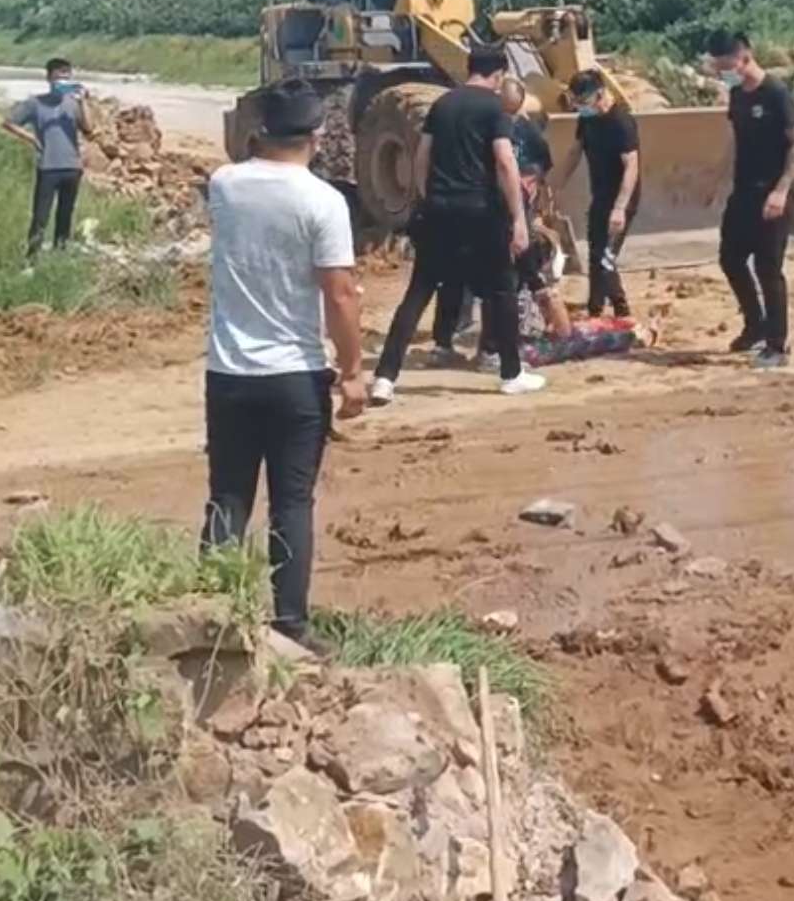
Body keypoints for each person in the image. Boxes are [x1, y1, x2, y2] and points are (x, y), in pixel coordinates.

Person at [202, 81, 365, 646]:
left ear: (259, 130)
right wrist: (353, 371)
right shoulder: (323, 201)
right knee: (291, 503)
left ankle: (211, 617)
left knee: (228, 496)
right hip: (295, 374)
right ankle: (290, 624)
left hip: (228, 373)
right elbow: (339, 294)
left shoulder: (224, 185)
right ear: (318, 136)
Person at [371, 47, 545, 402]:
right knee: (501, 290)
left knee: (418, 293)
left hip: (439, 210)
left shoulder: (443, 104)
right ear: (499, 74)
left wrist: (429, 197)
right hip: (481, 211)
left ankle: (385, 378)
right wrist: (518, 218)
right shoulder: (494, 107)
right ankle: (511, 373)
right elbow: (505, 162)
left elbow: (422, 156)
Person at [431, 75, 555, 368]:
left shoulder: (525, 130)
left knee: (482, 280)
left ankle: (480, 345)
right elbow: (502, 165)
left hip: (483, 208)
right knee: (486, 281)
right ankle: (469, 346)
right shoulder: (486, 124)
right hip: (487, 210)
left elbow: (541, 164)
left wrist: (532, 182)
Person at [707, 28, 794, 370]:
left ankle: (778, 344)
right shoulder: (737, 95)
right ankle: (755, 324)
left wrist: (781, 190)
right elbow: (735, 140)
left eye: (726, 66)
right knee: (730, 259)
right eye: (718, 67)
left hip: (773, 192)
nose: (722, 73)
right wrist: (718, 179)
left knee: (768, 268)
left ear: (744, 58)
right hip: (743, 192)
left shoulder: (776, 93)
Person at [555, 70, 641, 317]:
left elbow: (631, 166)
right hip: (600, 195)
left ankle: (621, 309)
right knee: (595, 252)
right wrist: (555, 184)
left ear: (600, 94)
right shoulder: (587, 120)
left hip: (622, 199)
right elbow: (575, 152)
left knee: (606, 257)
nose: (580, 107)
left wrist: (620, 208)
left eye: (584, 102)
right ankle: (596, 307)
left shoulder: (621, 122)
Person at [2, 56, 90, 257]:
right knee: (40, 215)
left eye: (67, 77)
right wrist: (31, 138)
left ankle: (60, 253)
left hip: (72, 167)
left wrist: (84, 102)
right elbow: (8, 122)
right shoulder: (35, 103)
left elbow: (89, 128)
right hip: (48, 167)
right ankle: (32, 257)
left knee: (65, 214)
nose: (63, 81)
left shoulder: (73, 104)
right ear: (49, 78)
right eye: (59, 77)